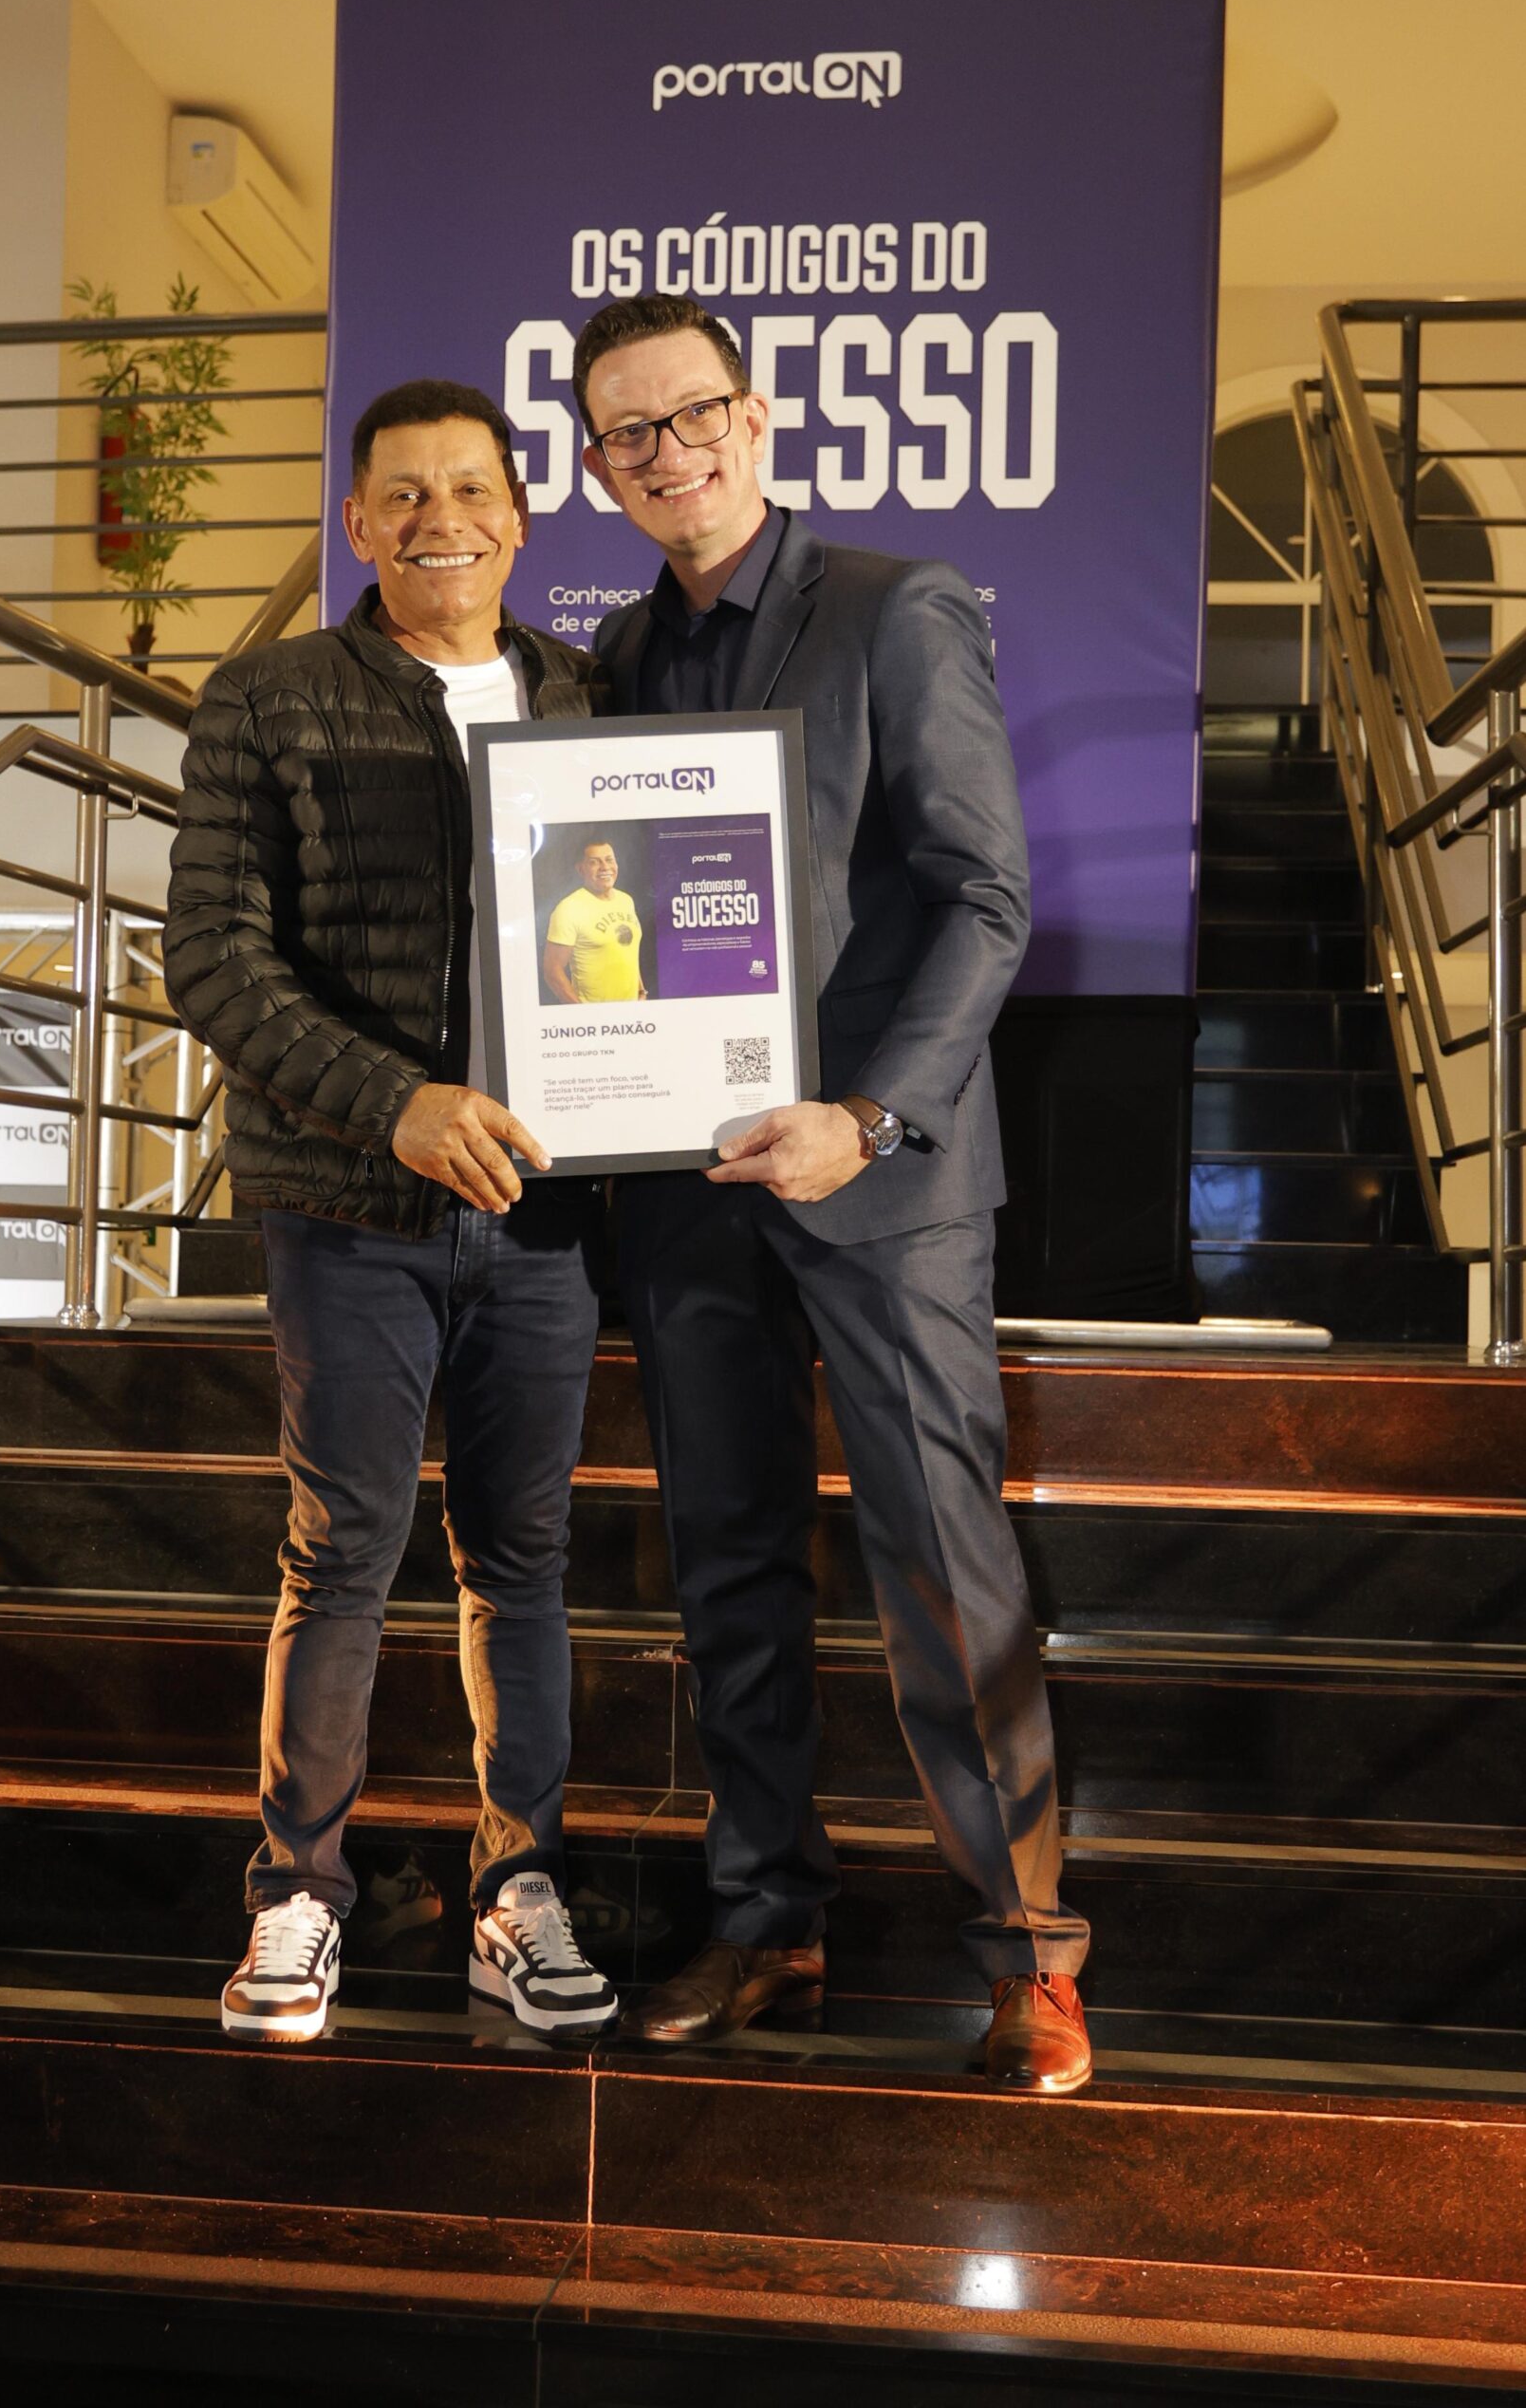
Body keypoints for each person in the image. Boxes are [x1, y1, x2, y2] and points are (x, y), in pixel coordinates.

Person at [575, 294, 1092, 2093]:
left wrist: (866, 1118)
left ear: (755, 417)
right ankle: (766, 1921)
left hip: (878, 1181)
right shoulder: (613, 658)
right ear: (600, 467)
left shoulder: (893, 606)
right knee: (726, 1560)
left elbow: (984, 897)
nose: (667, 452)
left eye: (691, 413)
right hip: (686, 1188)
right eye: (627, 432)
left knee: (940, 1563)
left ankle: (1026, 1953)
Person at [164, 379, 618, 2044]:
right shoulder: (270, 696)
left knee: (524, 1557)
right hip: (345, 1204)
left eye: (470, 489)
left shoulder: (587, 700)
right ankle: (297, 1892)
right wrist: (396, 1105)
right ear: (356, 524)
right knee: (342, 1550)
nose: (441, 520)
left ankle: (519, 1887)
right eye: (404, 495)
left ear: (519, 514)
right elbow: (211, 957)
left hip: (546, 1209)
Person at [543, 839, 646, 1003]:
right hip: (595, 1014)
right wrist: (584, 1013)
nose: (605, 867)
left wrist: (641, 991)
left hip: (633, 1011)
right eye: (594, 862)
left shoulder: (626, 900)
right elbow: (552, 971)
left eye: (609, 860)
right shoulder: (569, 908)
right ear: (581, 869)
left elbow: (627, 953)